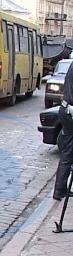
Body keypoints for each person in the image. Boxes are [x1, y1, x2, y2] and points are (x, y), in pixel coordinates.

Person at [53, 61, 73, 201]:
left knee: (68, 152)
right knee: (68, 152)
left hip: (66, 109)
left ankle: (60, 189)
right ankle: (59, 190)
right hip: (70, 111)